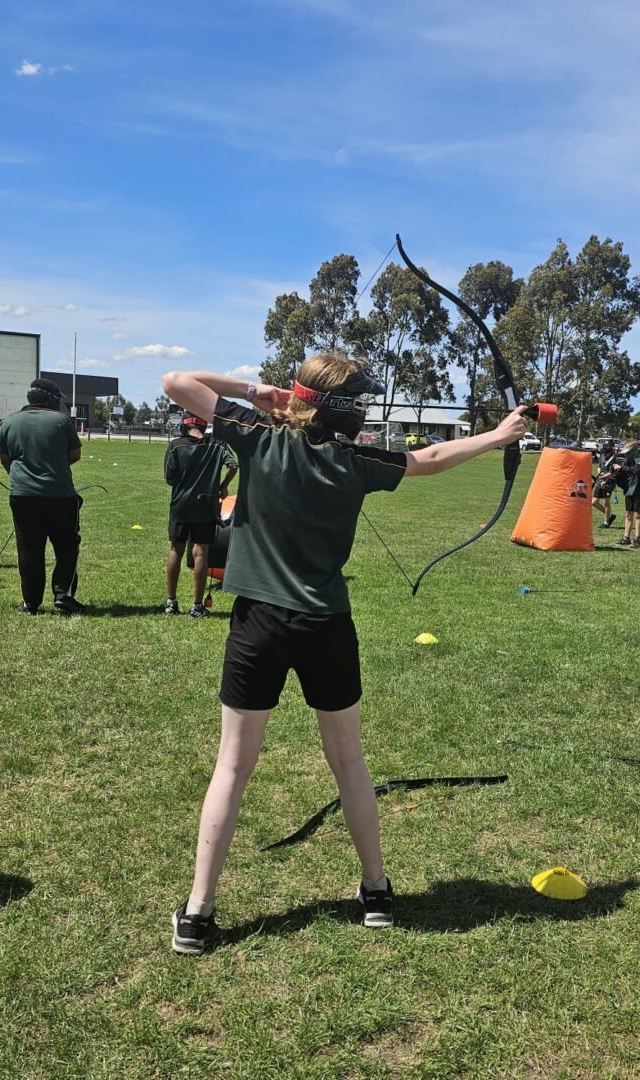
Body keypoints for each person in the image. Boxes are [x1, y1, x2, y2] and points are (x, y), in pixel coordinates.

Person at [161, 352, 528, 955]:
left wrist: (262, 394)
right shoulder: (357, 457)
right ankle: (376, 892)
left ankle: (199, 913)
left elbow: (177, 382)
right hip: (327, 623)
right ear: (348, 411)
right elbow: (429, 459)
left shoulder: (257, 435)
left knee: (232, 766)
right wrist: (498, 435)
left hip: (258, 623)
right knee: (348, 761)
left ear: (300, 399)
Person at [0, 378, 83, 615]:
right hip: (59, 494)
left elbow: (5, 458)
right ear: (50, 399)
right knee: (67, 546)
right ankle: (63, 594)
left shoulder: (10, 422)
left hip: (22, 494)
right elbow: (74, 455)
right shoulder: (62, 421)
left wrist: (22, 476)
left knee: (29, 549)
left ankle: (31, 603)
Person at [163, 414, 237, 617]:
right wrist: (223, 486)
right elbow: (233, 465)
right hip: (206, 505)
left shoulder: (176, 446)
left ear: (185, 427)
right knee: (200, 552)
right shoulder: (218, 444)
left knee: (175, 550)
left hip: (180, 506)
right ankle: (197, 606)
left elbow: (170, 479)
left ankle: (171, 602)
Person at [616, 440, 640, 548]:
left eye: (629, 452)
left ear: (634, 451)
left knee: (638, 514)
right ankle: (626, 538)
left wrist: (622, 468)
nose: (627, 455)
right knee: (628, 514)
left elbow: (637, 470)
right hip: (629, 490)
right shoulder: (627, 460)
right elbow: (623, 473)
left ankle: (637, 539)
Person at [591, 440, 619, 529]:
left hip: (609, 482)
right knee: (594, 502)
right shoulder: (602, 455)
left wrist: (604, 478)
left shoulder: (614, 458)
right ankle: (610, 516)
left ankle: (606, 522)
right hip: (600, 480)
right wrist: (600, 475)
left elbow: (612, 473)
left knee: (606, 501)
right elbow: (599, 466)